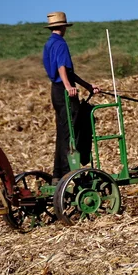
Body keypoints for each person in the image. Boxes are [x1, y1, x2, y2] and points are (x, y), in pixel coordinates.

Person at [42, 11, 100, 185]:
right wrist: (69, 87)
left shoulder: (49, 43)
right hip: (63, 90)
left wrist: (88, 86)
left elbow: (68, 72)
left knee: (63, 131)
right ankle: (69, 174)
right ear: (63, 27)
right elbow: (62, 68)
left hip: (56, 90)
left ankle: (57, 173)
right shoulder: (60, 44)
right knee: (71, 132)